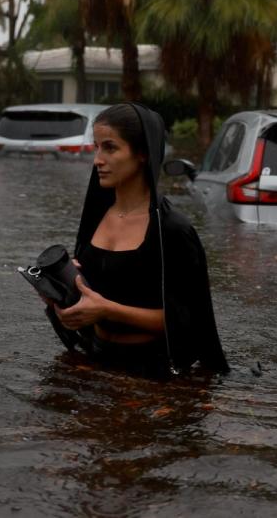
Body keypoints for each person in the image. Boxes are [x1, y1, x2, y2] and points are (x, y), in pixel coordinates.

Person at [46, 102, 229, 378]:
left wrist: (106, 310)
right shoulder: (95, 218)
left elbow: (187, 324)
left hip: (150, 371)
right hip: (94, 357)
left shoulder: (172, 230)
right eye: (96, 147)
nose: (97, 159)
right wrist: (61, 295)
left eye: (110, 147)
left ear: (142, 152)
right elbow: (90, 299)